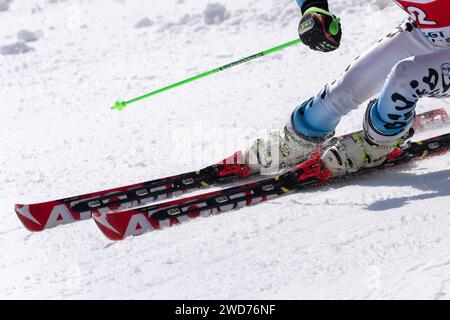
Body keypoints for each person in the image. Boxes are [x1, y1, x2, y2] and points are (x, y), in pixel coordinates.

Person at [246, 0, 450, 177]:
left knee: (405, 76)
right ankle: (298, 139)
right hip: (427, 33)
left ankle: (380, 143)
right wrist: (314, 9)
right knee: (342, 92)